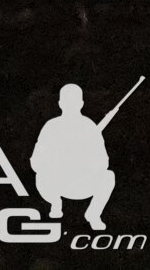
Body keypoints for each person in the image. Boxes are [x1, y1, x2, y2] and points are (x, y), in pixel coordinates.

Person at [31, 84, 116, 230]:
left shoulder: (90, 127)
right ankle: (55, 203)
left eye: (74, 102)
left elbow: (104, 162)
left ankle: (93, 214)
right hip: (56, 184)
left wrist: (86, 161)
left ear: (81, 104)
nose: (71, 105)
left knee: (109, 176)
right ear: (60, 104)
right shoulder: (51, 126)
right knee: (40, 176)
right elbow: (36, 161)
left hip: (82, 183)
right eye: (67, 101)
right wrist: (56, 163)